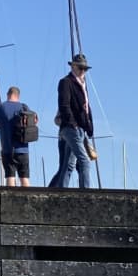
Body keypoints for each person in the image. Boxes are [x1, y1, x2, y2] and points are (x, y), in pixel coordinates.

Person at [51, 53, 95, 188]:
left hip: (81, 128)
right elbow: (64, 105)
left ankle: (60, 191)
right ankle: (86, 194)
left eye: (85, 69)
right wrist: (73, 124)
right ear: (73, 67)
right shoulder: (66, 82)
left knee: (68, 164)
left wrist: (89, 127)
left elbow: (86, 107)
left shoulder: (83, 84)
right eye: (80, 68)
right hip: (71, 128)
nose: (83, 71)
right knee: (84, 161)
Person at [0, 86, 36, 188]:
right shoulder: (24, 107)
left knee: (10, 177)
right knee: (25, 179)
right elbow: (34, 122)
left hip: (7, 149)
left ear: (8, 94)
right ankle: (27, 201)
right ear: (18, 96)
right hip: (23, 149)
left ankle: (10, 201)